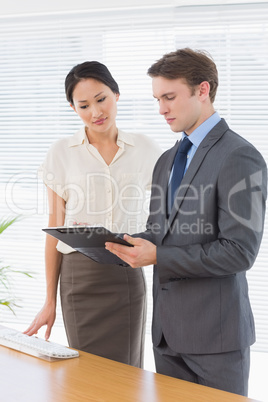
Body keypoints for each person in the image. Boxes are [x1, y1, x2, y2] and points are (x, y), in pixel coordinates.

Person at [105, 48, 267, 395]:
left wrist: (159, 256)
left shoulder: (240, 156)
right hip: (167, 337)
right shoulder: (167, 160)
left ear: (203, 90)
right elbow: (159, 232)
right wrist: (119, 242)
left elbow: (239, 252)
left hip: (216, 340)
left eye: (169, 97)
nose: (161, 108)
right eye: (157, 99)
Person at [24, 61, 162, 368]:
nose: (95, 112)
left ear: (116, 94)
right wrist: (49, 302)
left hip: (126, 273)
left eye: (101, 99)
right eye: (83, 105)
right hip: (79, 279)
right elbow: (54, 228)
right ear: (73, 108)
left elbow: (166, 214)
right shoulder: (61, 152)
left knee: (128, 373)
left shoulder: (145, 148)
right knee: (85, 373)